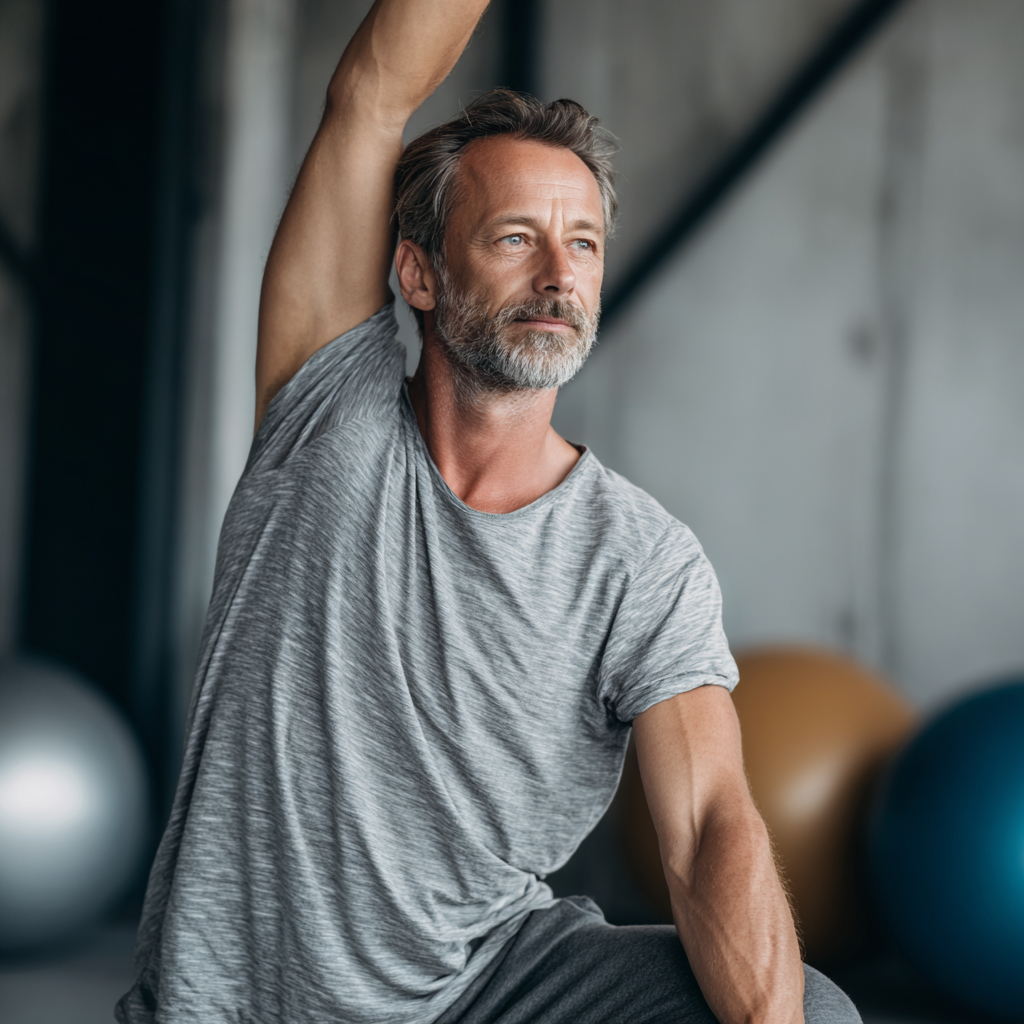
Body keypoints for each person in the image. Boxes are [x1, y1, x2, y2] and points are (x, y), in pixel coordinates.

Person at [118, 1, 861, 1022]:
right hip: (241, 996)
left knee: (807, 1011)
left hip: (492, 986)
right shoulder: (323, 410)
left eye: (585, 244)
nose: (560, 277)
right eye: (516, 238)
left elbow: (704, 827)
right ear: (418, 272)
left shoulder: (640, 560)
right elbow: (373, 94)